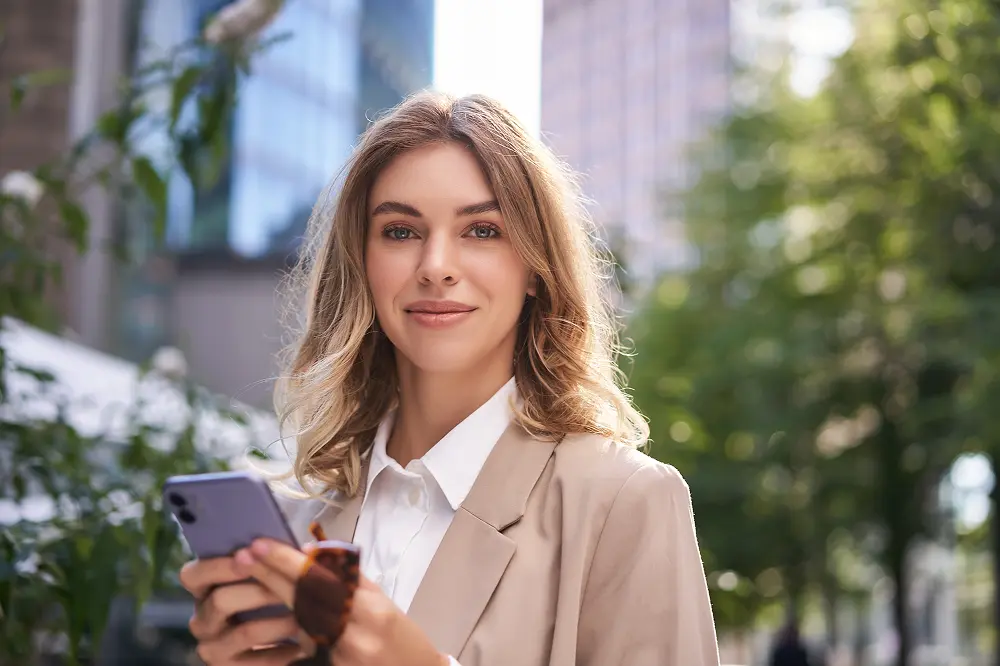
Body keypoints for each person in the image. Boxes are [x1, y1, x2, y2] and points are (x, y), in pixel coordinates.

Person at [177, 91, 720, 666]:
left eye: (482, 230)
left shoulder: (624, 501)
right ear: (362, 263)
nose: (435, 266)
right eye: (400, 231)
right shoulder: (299, 516)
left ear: (535, 268)